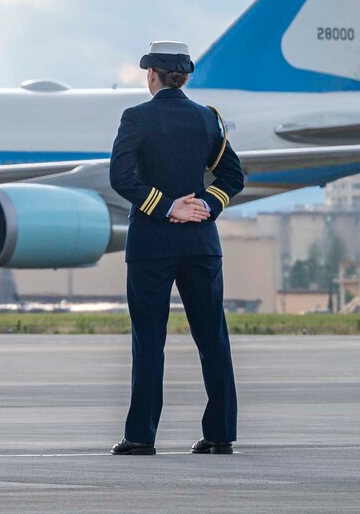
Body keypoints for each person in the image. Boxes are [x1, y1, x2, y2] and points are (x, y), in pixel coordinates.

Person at [107, 39, 245, 456]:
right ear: (183, 77)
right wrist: (203, 205)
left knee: (149, 341)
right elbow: (233, 177)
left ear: (151, 75)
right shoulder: (207, 119)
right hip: (201, 244)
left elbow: (121, 178)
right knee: (212, 338)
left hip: (152, 244)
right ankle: (220, 435)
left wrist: (167, 208)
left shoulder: (136, 118)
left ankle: (141, 437)